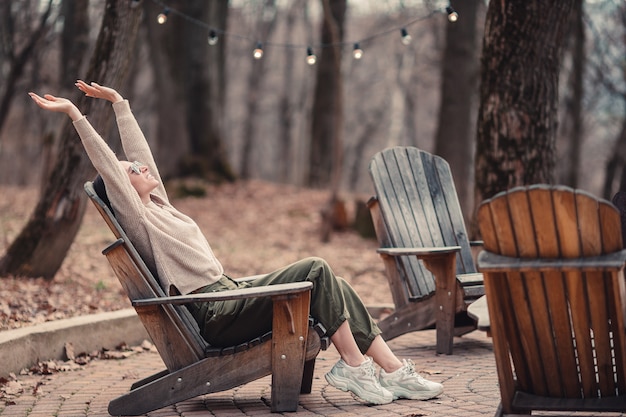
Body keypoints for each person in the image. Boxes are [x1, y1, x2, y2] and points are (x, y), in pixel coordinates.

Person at [29, 81, 444, 405]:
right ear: (123, 187)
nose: (140, 167)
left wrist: (121, 105)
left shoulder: (160, 206)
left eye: (137, 165)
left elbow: (141, 157)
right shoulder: (140, 220)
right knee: (316, 268)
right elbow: (111, 169)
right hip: (215, 312)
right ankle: (354, 365)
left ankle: (390, 369)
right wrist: (75, 115)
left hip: (232, 294)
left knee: (337, 283)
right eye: (130, 170)